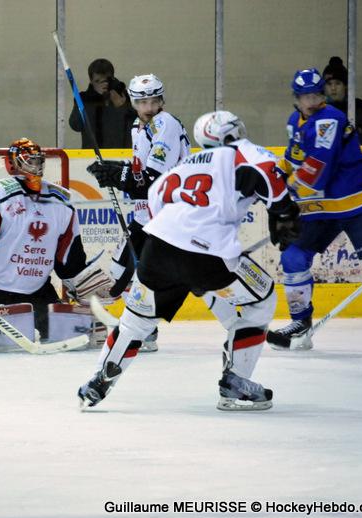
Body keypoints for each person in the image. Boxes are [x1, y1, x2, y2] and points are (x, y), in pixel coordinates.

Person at [77, 110, 301, 411]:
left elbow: (156, 201)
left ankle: (97, 382)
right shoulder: (241, 152)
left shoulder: (183, 166)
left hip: (158, 250)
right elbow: (267, 172)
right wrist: (284, 212)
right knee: (261, 299)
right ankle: (235, 382)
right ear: (232, 133)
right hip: (208, 256)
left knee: (136, 321)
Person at [0, 138, 112, 340]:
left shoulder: (62, 202)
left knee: (76, 333)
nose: (35, 166)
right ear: (12, 163)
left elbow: (69, 260)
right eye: (30, 160)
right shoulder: (0, 191)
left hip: (36, 291)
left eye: (37, 160)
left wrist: (88, 291)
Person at [267, 68, 362, 350]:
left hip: (356, 202)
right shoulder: (295, 120)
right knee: (293, 258)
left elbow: (316, 171)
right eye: (305, 96)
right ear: (296, 98)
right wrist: (274, 175)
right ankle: (300, 323)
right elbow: (293, 157)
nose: (311, 101)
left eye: (316, 95)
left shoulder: (329, 119)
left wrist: (283, 196)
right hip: (323, 207)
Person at [85, 73, 191, 352]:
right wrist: (113, 169)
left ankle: (143, 330)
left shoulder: (165, 124)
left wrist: (116, 176)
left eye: (154, 101)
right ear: (133, 103)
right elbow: (139, 172)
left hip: (167, 215)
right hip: (146, 214)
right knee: (120, 271)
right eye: (142, 102)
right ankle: (144, 328)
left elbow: (153, 179)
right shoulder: (137, 127)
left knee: (140, 276)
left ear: (161, 101)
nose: (149, 107)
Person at [68, 58, 133, 149]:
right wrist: (89, 105)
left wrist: (122, 107)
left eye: (107, 80)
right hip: (92, 153)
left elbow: (137, 126)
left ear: (112, 78)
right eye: (97, 81)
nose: (103, 84)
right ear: (91, 81)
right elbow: (76, 126)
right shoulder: (83, 99)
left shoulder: (123, 96)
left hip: (120, 152)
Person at [322, 56, 362, 144]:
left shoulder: (358, 106)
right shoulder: (320, 109)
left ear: (346, 86)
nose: (333, 88)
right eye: (329, 84)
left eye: (338, 83)